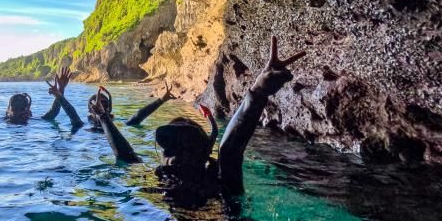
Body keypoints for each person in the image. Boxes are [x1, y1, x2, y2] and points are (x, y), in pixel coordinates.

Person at [90, 37, 306, 199]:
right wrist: (103, 118)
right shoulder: (157, 178)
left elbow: (229, 151)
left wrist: (258, 92)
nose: (176, 157)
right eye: (170, 144)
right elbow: (127, 156)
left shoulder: (220, 183)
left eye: (189, 145)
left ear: (203, 155)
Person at [0, 63, 84, 129]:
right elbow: (53, 112)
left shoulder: (1, 120)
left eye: (21, 109)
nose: (20, 112)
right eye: (17, 109)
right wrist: (61, 90)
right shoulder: (36, 121)